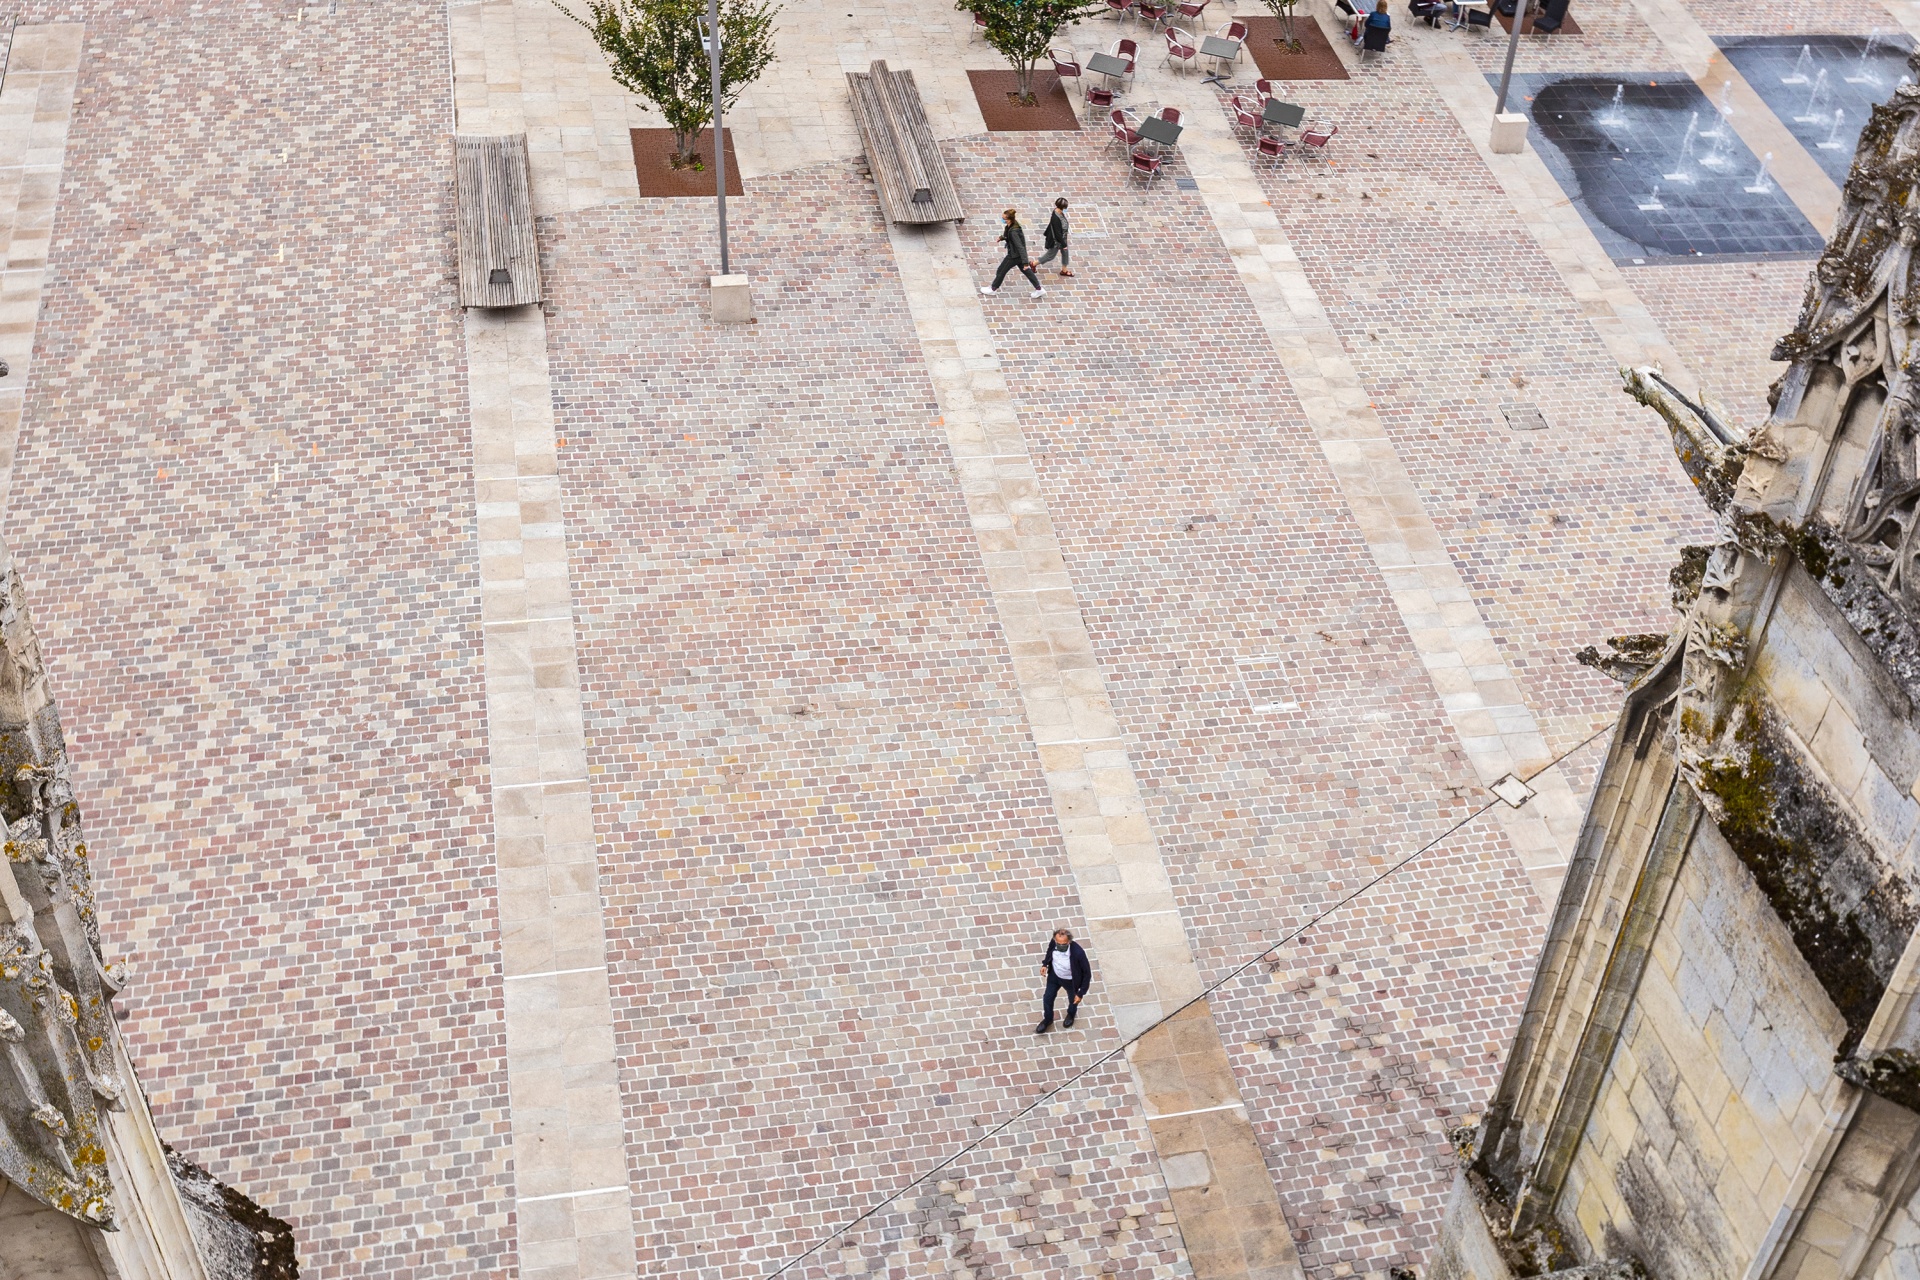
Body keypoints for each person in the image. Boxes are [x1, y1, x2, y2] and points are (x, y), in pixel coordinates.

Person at [1035, 928, 1091, 1033]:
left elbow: (1087, 974)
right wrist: (1045, 964)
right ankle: (1048, 1019)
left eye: (1063, 944)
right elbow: (1049, 952)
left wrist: (1081, 993)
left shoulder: (1078, 953)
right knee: (1047, 998)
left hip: (1070, 981)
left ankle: (1071, 1014)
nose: (1060, 945)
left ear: (1069, 941)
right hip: (1054, 976)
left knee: (1073, 1000)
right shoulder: (1053, 943)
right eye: (1058, 943)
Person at [982, 208, 1044, 299]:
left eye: (1004, 218)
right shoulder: (1012, 225)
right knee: (1027, 271)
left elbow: (1021, 247)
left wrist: (1026, 262)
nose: (1002, 219)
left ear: (1009, 219)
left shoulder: (1014, 232)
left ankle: (993, 288)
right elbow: (1007, 235)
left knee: (1001, 270)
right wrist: (1002, 237)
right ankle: (1039, 289)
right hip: (1017, 255)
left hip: (1014, 255)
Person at [1035, 198, 1073, 278]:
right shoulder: (1055, 218)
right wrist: (1064, 244)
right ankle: (1033, 264)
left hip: (1062, 238)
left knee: (1065, 253)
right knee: (1050, 256)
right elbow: (1057, 233)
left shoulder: (1060, 212)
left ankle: (1064, 270)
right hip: (1057, 241)